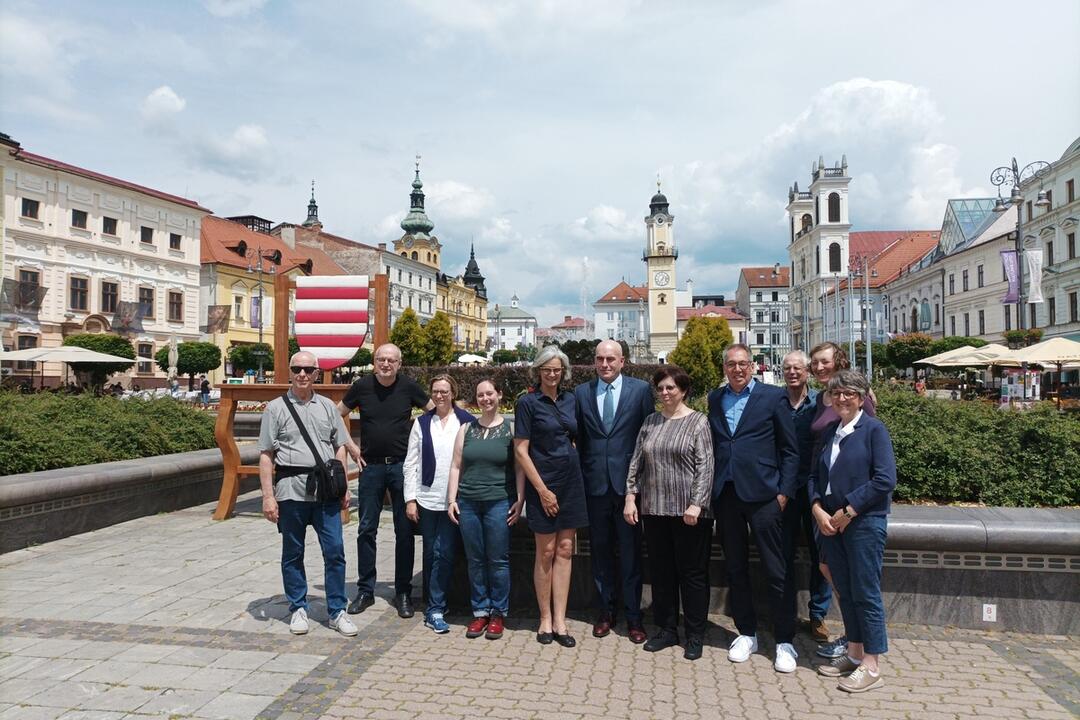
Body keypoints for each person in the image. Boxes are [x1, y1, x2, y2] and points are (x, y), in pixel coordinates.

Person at [707, 342, 800, 672]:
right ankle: (747, 632)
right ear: (724, 368)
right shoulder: (715, 399)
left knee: (777, 570)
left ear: (753, 366)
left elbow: (790, 450)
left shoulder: (773, 397)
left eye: (743, 363)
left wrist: (783, 493)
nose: (737, 369)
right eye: (731, 364)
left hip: (764, 496)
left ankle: (785, 640)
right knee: (735, 567)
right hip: (727, 495)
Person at [257, 351, 357, 638]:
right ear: (289, 371)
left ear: (316, 373)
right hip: (290, 489)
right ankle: (298, 606)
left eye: (308, 369)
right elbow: (266, 454)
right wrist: (267, 496)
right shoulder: (275, 408)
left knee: (335, 551)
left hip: (325, 490)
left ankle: (337, 610)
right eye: (297, 369)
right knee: (292, 552)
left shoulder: (327, 407)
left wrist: (344, 485)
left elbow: (339, 445)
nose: (302, 374)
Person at [810, 370, 896, 693]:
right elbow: (813, 477)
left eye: (849, 393)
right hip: (831, 524)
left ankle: (872, 665)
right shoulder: (830, 432)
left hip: (863, 523)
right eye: (837, 393)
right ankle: (855, 652)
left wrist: (849, 510)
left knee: (865, 592)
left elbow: (885, 479)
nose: (842, 399)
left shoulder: (873, 430)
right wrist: (817, 508)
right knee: (845, 590)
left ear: (861, 398)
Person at [623, 366, 714, 660]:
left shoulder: (698, 422)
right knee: (661, 574)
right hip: (654, 509)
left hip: (689, 513)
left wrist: (696, 504)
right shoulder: (650, 422)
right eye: (660, 388)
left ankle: (695, 634)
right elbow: (636, 462)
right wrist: (630, 497)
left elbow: (705, 466)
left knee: (692, 574)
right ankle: (666, 629)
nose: (664, 393)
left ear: (683, 390)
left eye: (670, 388)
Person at [338, 343, 434, 619]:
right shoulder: (361, 386)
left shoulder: (409, 387)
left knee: (405, 530)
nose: (386, 364)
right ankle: (365, 590)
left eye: (391, 360)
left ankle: (403, 591)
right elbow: (336, 415)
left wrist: (420, 443)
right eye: (381, 359)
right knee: (366, 528)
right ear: (374, 361)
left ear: (399, 363)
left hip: (403, 468)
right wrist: (350, 447)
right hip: (371, 467)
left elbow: (434, 414)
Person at [573, 340, 655, 643]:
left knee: (631, 554)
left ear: (622, 361)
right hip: (595, 488)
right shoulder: (582, 393)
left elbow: (647, 437)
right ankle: (605, 612)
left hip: (629, 490)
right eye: (599, 359)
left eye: (610, 359)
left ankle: (634, 617)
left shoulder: (641, 390)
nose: (604, 364)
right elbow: (579, 439)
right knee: (600, 553)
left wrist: (640, 485)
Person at [514, 345, 589, 647]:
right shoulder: (528, 403)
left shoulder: (571, 400)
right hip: (542, 482)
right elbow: (521, 449)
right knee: (545, 551)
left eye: (557, 369)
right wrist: (542, 490)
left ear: (564, 371)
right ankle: (544, 618)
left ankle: (561, 619)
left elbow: (577, 435)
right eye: (547, 369)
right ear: (538, 370)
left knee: (566, 549)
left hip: (571, 481)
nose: (552, 373)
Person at [809, 341, 877, 659]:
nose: (819, 367)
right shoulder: (820, 398)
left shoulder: (854, 396)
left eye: (824, 361)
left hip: (850, 504)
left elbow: (867, 446)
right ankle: (854, 637)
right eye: (815, 362)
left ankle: (857, 640)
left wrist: (851, 507)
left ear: (837, 361)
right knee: (827, 566)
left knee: (848, 576)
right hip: (823, 496)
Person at [447, 379, 525, 640]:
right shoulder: (466, 429)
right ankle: (480, 611)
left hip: (499, 502)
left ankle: (498, 613)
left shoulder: (510, 429)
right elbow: (456, 466)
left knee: (498, 560)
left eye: (490, 393)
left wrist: (521, 498)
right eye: (481, 395)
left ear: (499, 395)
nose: (485, 399)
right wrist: (451, 499)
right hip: (468, 502)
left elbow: (519, 467)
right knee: (475, 560)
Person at [403, 374, 476, 634]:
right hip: (427, 497)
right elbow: (411, 463)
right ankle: (433, 605)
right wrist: (410, 499)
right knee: (431, 552)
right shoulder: (422, 423)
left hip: (455, 499)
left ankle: (436, 605)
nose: (440, 396)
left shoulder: (466, 421)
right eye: (435, 391)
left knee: (445, 553)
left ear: (453, 393)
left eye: (445, 391)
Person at [780, 350, 831, 643]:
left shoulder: (821, 403)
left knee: (820, 555)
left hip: (815, 490)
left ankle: (818, 615)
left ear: (807, 372)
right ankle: (784, 612)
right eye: (787, 368)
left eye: (798, 367)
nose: (793, 372)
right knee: (782, 553)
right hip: (784, 489)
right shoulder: (774, 402)